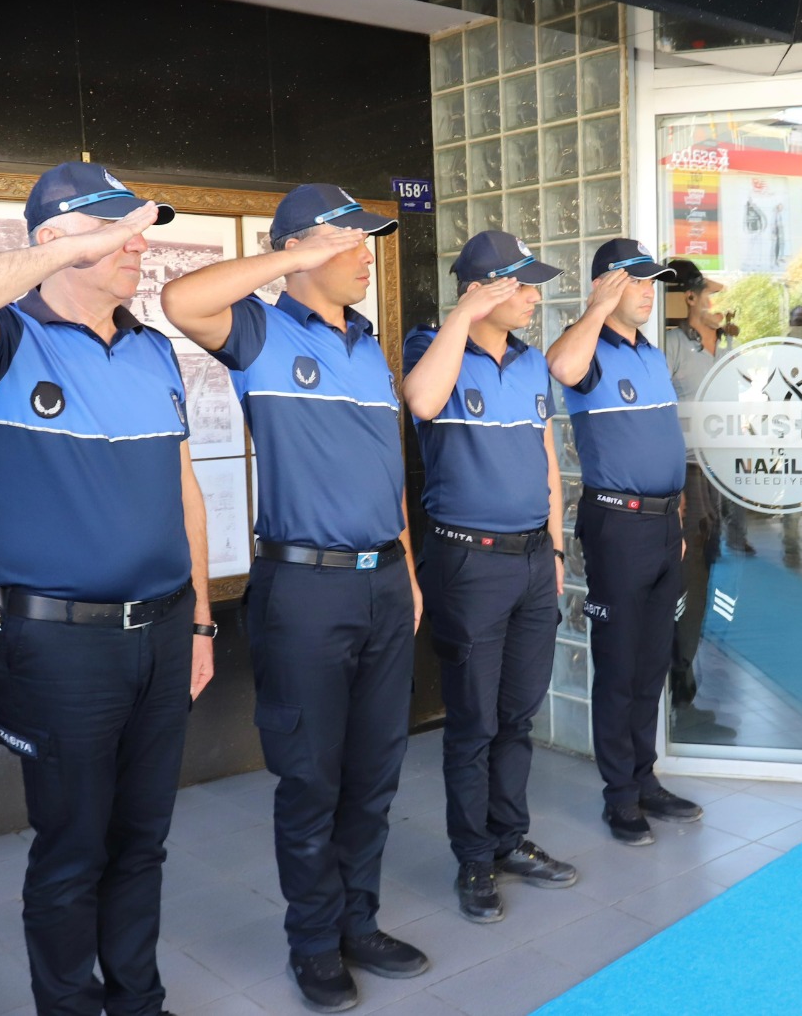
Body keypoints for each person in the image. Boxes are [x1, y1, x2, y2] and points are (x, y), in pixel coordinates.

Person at [0, 161, 213, 1015]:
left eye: (137, 227)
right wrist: (62, 248)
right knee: (71, 851)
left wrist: (201, 622)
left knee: (142, 843)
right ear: (56, 239)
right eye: (113, 228)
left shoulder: (154, 348)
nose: (137, 244)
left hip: (164, 637)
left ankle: (138, 1000)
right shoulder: (5, 341)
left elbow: (184, 490)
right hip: (61, 649)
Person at [160, 183, 427, 1011]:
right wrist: (290, 258)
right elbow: (179, 300)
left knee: (375, 772)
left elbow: (390, 477)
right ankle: (314, 942)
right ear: (306, 246)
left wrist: (409, 570)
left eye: (368, 243)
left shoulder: (369, 346)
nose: (365, 257)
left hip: (384, 580)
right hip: (303, 588)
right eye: (350, 242)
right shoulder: (263, 332)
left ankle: (358, 921)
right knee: (311, 777)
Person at [401, 230, 579, 925]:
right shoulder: (431, 346)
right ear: (485, 288)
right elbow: (420, 401)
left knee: (517, 712)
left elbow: (547, 458)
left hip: (535, 559)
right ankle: (474, 857)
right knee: (472, 720)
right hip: (468, 561)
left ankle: (509, 837)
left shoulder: (532, 363)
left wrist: (558, 552)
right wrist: (461, 316)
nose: (535, 297)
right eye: (523, 285)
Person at [545, 239, 703, 846]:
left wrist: (679, 516)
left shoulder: (651, 354)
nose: (647, 290)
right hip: (618, 525)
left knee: (652, 660)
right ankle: (620, 797)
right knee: (618, 666)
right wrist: (594, 308)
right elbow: (561, 367)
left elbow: (663, 442)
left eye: (651, 281)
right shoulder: (590, 350)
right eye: (635, 280)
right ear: (607, 285)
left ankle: (645, 779)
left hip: (663, 525)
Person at [662, 258, 737, 742]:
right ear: (689, 298)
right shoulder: (670, 344)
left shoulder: (727, 345)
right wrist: (673, 488)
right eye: (707, 294)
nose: (715, 303)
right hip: (686, 473)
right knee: (685, 583)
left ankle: (685, 689)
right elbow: (660, 415)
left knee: (706, 575)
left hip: (719, 475)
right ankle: (675, 698)